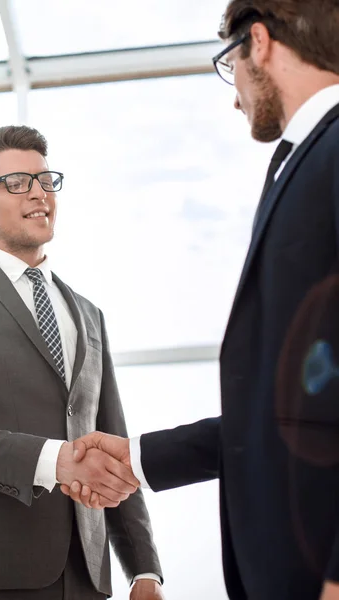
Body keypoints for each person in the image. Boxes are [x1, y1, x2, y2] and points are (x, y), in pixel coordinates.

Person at [63, 1, 339, 599]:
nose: (235, 96)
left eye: (228, 65)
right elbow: (289, 409)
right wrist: (138, 459)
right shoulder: (303, 161)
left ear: (258, 42)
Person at [0, 125, 164, 600]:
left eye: (44, 180)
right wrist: (54, 461)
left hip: (90, 577)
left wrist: (143, 569)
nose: (38, 194)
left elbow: (113, 441)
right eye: (16, 183)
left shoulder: (88, 313)